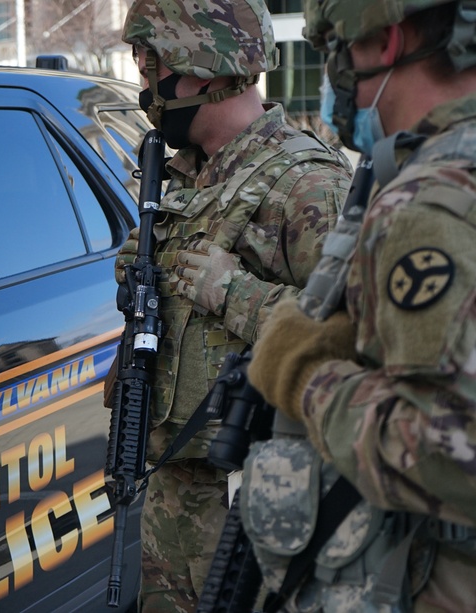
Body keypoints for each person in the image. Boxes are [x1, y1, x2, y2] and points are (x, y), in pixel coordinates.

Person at [112, 1, 353, 610]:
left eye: (152, 68)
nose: (147, 88)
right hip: (174, 494)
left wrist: (236, 294)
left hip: (255, 504)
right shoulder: (187, 177)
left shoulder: (306, 184)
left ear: (203, 69)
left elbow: (358, 342)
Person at [246, 0, 476, 609]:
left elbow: (454, 452)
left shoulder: (430, 204)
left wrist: (306, 376)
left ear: (385, 44)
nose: (332, 76)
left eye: (333, 50)